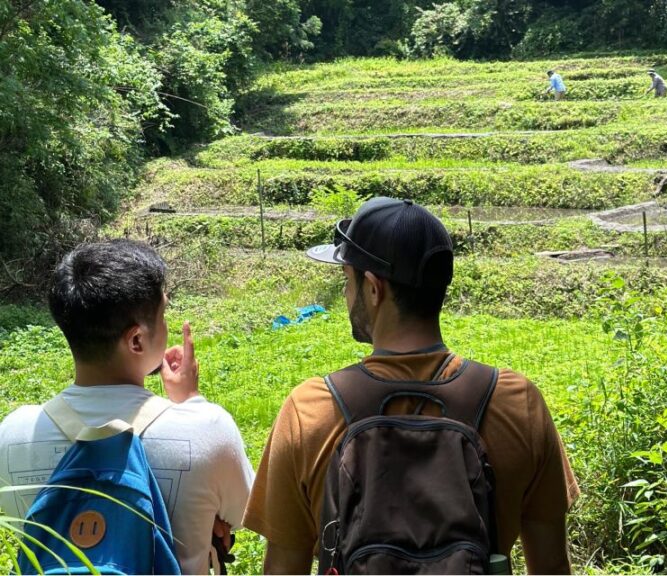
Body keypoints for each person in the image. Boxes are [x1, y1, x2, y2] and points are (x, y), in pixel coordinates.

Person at [243, 197, 580, 574]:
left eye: (347, 280)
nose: (345, 295)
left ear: (373, 288)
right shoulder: (518, 403)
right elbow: (552, 567)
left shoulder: (311, 410)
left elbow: (282, 569)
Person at [0, 239, 255, 575]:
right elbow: (246, 512)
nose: (166, 325)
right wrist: (192, 402)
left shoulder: (13, 433)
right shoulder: (206, 428)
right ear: (137, 340)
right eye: (163, 314)